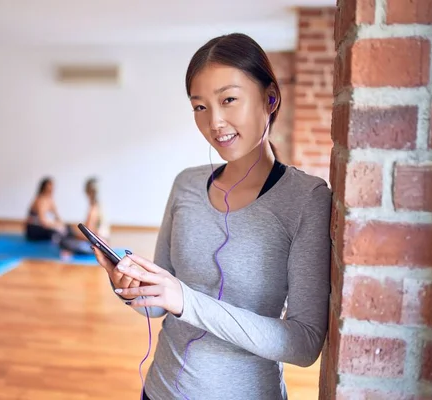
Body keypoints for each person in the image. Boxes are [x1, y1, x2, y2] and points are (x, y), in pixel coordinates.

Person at [92, 33, 332, 400]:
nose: (215, 122)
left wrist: (187, 301)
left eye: (229, 100)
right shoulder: (186, 184)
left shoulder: (306, 199)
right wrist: (131, 287)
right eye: (200, 107)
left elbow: (303, 343)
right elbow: (159, 305)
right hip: (159, 390)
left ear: (270, 98)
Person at [25, 177, 66, 242]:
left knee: (68, 229)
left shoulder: (50, 200)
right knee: (54, 232)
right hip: (35, 228)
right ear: (44, 188)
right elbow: (43, 221)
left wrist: (61, 224)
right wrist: (56, 225)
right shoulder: (40, 200)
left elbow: (57, 216)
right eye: (49, 187)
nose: (51, 189)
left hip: (44, 225)